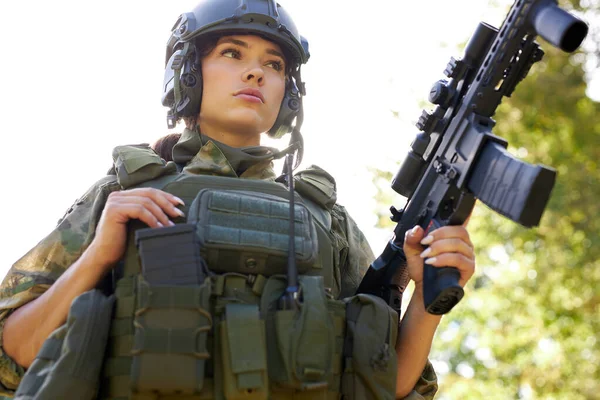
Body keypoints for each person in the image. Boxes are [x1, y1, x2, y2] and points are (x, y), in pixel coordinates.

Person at [0, 0, 475, 398]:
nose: (256, 72)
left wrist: (425, 299)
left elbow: (385, 385)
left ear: (289, 95)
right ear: (186, 73)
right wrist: (99, 256)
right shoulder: (125, 195)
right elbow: (14, 353)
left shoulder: (325, 219)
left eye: (274, 65)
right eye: (232, 53)